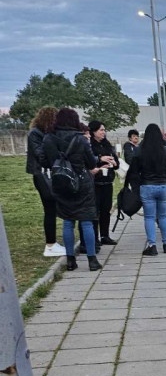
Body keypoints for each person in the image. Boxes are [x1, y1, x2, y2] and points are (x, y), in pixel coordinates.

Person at [42, 107, 102, 272]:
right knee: (86, 221)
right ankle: (92, 260)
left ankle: (70, 260)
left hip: (61, 184)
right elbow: (91, 163)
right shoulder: (81, 140)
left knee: (68, 221)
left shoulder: (48, 138)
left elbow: (43, 160)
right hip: (82, 184)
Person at [127, 123, 166, 255]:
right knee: (163, 216)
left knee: (149, 217)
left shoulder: (140, 150)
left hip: (147, 186)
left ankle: (152, 245)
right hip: (163, 186)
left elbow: (133, 171)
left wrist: (136, 187)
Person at [26, 107, 65, 257]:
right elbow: (40, 153)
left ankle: (52, 243)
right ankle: (50, 245)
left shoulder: (43, 134)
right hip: (41, 173)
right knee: (49, 207)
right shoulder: (35, 134)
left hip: (47, 173)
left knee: (52, 208)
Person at [88, 120, 119, 246]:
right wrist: (101, 160)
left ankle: (105, 235)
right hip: (95, 183)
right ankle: (94, 237)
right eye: (101, 130)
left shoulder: (107, 145)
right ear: (94, 131)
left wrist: (114, 163)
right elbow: (88, 161)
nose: (103, 132)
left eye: (104, 130)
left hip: (107, 182)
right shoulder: (90, 145)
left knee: (106, 210)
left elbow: (116, 160)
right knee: (95, 211)